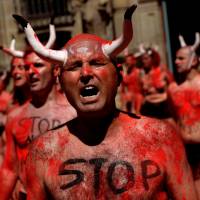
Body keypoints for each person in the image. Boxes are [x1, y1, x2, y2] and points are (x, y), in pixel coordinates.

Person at [14, 4, 198, 199]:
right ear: (60, 81)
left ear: (119, 75)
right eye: (75, 66)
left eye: (96, 63)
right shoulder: (43, 152)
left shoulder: (161, 138)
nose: (85, 74)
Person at [0, 49, 77, 200]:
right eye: (27, 67)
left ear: (55, 70)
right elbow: (9, 169)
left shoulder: (74, 112)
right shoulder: (15, 117)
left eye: (38, 65)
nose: (31, 72)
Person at [167, 32, 200, 197]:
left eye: (181, 58)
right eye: (176, 58)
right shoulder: (173, 89)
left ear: (194, 60)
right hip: (185, 152)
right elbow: (175, 119)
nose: (176, 62)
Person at [137, 45, 174, 119]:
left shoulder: (163, 71)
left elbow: (173, 90)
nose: (144, 61)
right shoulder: (141, 74)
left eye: (146, 59)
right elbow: (140, 93)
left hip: (164, 111)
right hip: (148, 111)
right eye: (142, 59)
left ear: (153, 59)